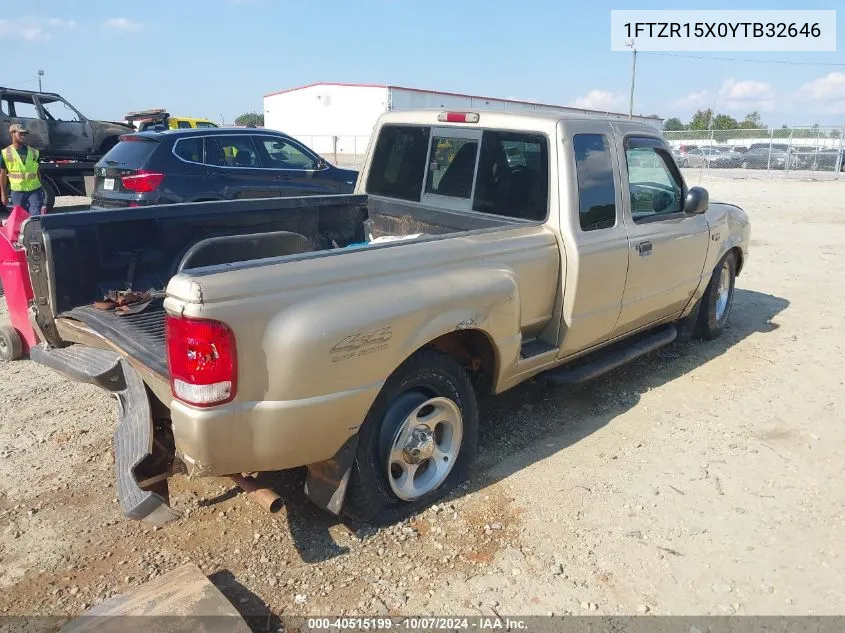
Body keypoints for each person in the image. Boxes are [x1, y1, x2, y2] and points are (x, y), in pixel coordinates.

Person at [0, 124, 47, 216]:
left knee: (36, 215)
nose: (23, 136)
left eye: (24, 134)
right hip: (17, 191)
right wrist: (3, 194)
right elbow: (2, 175)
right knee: (20, 217)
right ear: (12, 133)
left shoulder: (34, 152)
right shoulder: (5, 153)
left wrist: (40, 186)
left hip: (35, 189)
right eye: (20, 134)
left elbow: (37, 172)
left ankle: (37, 231)